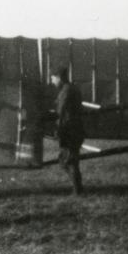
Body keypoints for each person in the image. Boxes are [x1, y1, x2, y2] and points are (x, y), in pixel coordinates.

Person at [50, 67, 85, 195]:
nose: (52, 81)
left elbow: (62, 111)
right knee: (68, 159)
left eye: (52, 78)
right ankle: (78, 188)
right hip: (76, 128)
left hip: (69, 129)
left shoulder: (66, 91)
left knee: (68, 161)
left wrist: (58, 129)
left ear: (59, 77)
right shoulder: (73, 88)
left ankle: (77, 190)